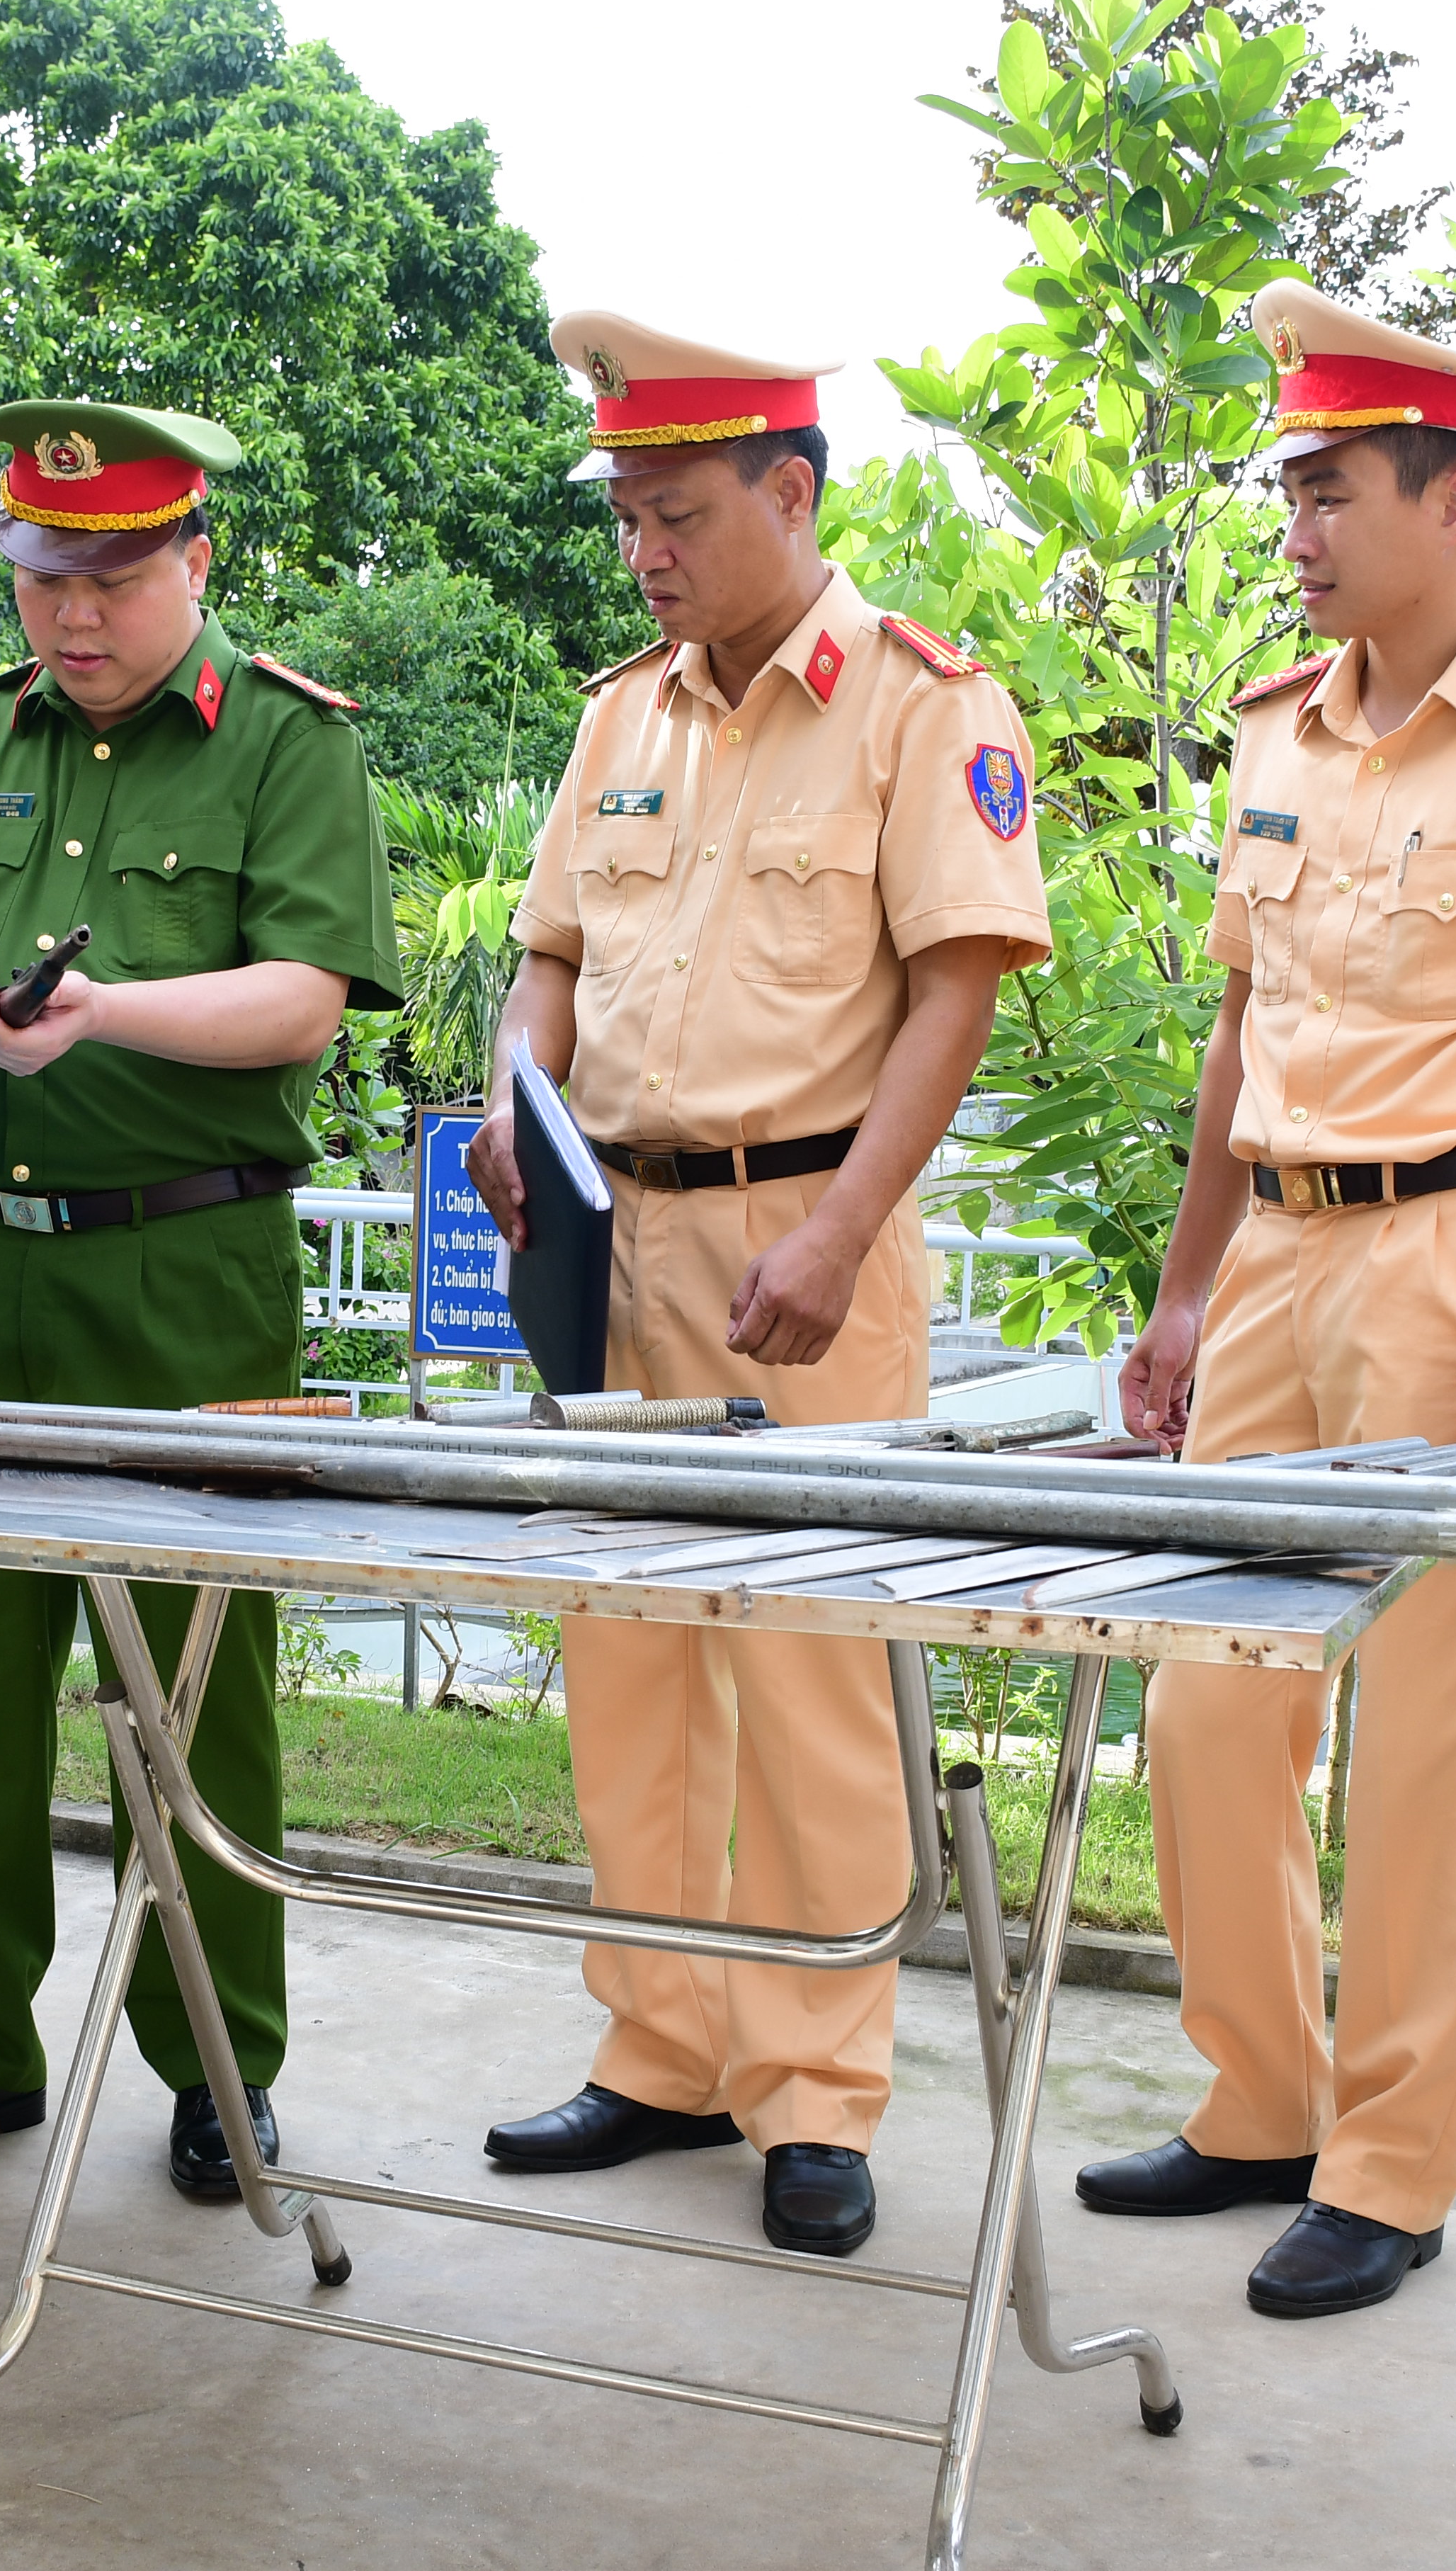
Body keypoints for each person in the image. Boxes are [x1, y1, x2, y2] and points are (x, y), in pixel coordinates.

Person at [1071, 283, 1456, 2317]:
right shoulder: (1277, 731)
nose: (1297, 529)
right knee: (1206, 1702)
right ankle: (1265, 2097)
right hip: (1276, 1254)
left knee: (1428, 1742)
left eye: (1330, 491)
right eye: (1291, 493)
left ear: (1454, 503)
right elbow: (1237, 1040)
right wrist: (1182, 1296)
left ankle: (1393, 2165)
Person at [466, 313, 1055, 2261]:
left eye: (683, 515)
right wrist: (515, 1093)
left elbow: (956, 994)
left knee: (808, 1675)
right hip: (615, 1243)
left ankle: (813, 2088)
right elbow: (550, 957)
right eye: (627, 517)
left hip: (809, 1242)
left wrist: (842, 1229)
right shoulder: (619, 719)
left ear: (791, 493)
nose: (646, 551)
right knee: (631, 1664)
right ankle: (661, 2049)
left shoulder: (921, 706)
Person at [0, 400, 399, 2196]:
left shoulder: (284, 743)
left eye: (115, 577)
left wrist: (105, 1011)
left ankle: (217, 2059)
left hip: (186, 1272)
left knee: (194, 1682)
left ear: (194, 560)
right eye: (44, 575)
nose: (73, 612)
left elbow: (301, 997)